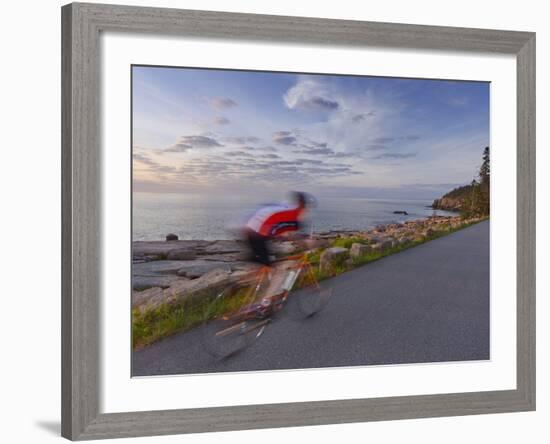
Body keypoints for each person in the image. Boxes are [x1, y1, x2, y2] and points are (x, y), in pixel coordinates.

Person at [242, 191, 316, 313]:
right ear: (302, 205)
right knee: (278, 271)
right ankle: (264, 304)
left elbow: (281, 231)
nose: (306, 211)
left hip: (251, 231)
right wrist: (307, 244)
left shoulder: (285, 209)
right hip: (258, 235)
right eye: (306, 208)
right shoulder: (294, 216)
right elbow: (293, 236)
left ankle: (249, 288)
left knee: (266, 264)